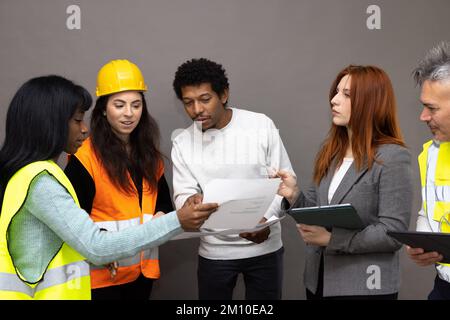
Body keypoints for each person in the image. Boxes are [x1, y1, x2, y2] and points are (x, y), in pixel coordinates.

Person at [0, 75, 217, 300]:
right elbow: (96, 246)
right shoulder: (41, 181)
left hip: (138, 274)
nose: (84, 130)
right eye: (77, 120)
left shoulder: (31, 174)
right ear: (50, 123)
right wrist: (177, 220)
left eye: (136, 104)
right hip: (99, 281)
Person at [277, 65, 413, 299]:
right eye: (336, 92)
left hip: (365, 287)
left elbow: (393, 233)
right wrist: (294, 196)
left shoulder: (393, 157)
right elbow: (318, 212)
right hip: (318, 281)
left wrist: (332, 239)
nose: (334, 100)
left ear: (371, 103)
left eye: (346, 94)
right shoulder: (330, 151)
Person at [171, 58, 294, 300]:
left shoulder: (260, 125)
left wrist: (265, 221)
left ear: (224, 94)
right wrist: (190, 202)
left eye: (205, 99)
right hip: (215, 253)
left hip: (265, 248)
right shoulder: (182, 142)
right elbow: (182, 196)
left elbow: (285, 184)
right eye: (188, 102)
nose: (197, 110)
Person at [63, 59, 177, 300]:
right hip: (103, 278)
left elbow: (164, 204)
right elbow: (71, 220)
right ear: (104, 108)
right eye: (119, 105)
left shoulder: (150, 156)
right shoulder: (85, 158)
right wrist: (103, 250)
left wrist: (162, 216)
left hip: (143, 274)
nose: (129, 113)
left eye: (136, 105)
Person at [405, 41, 450, 300]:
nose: (423, 116)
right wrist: (421, 243)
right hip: (443, 287)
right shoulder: (430, 153)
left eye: (432, 108)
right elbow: (428, 210)